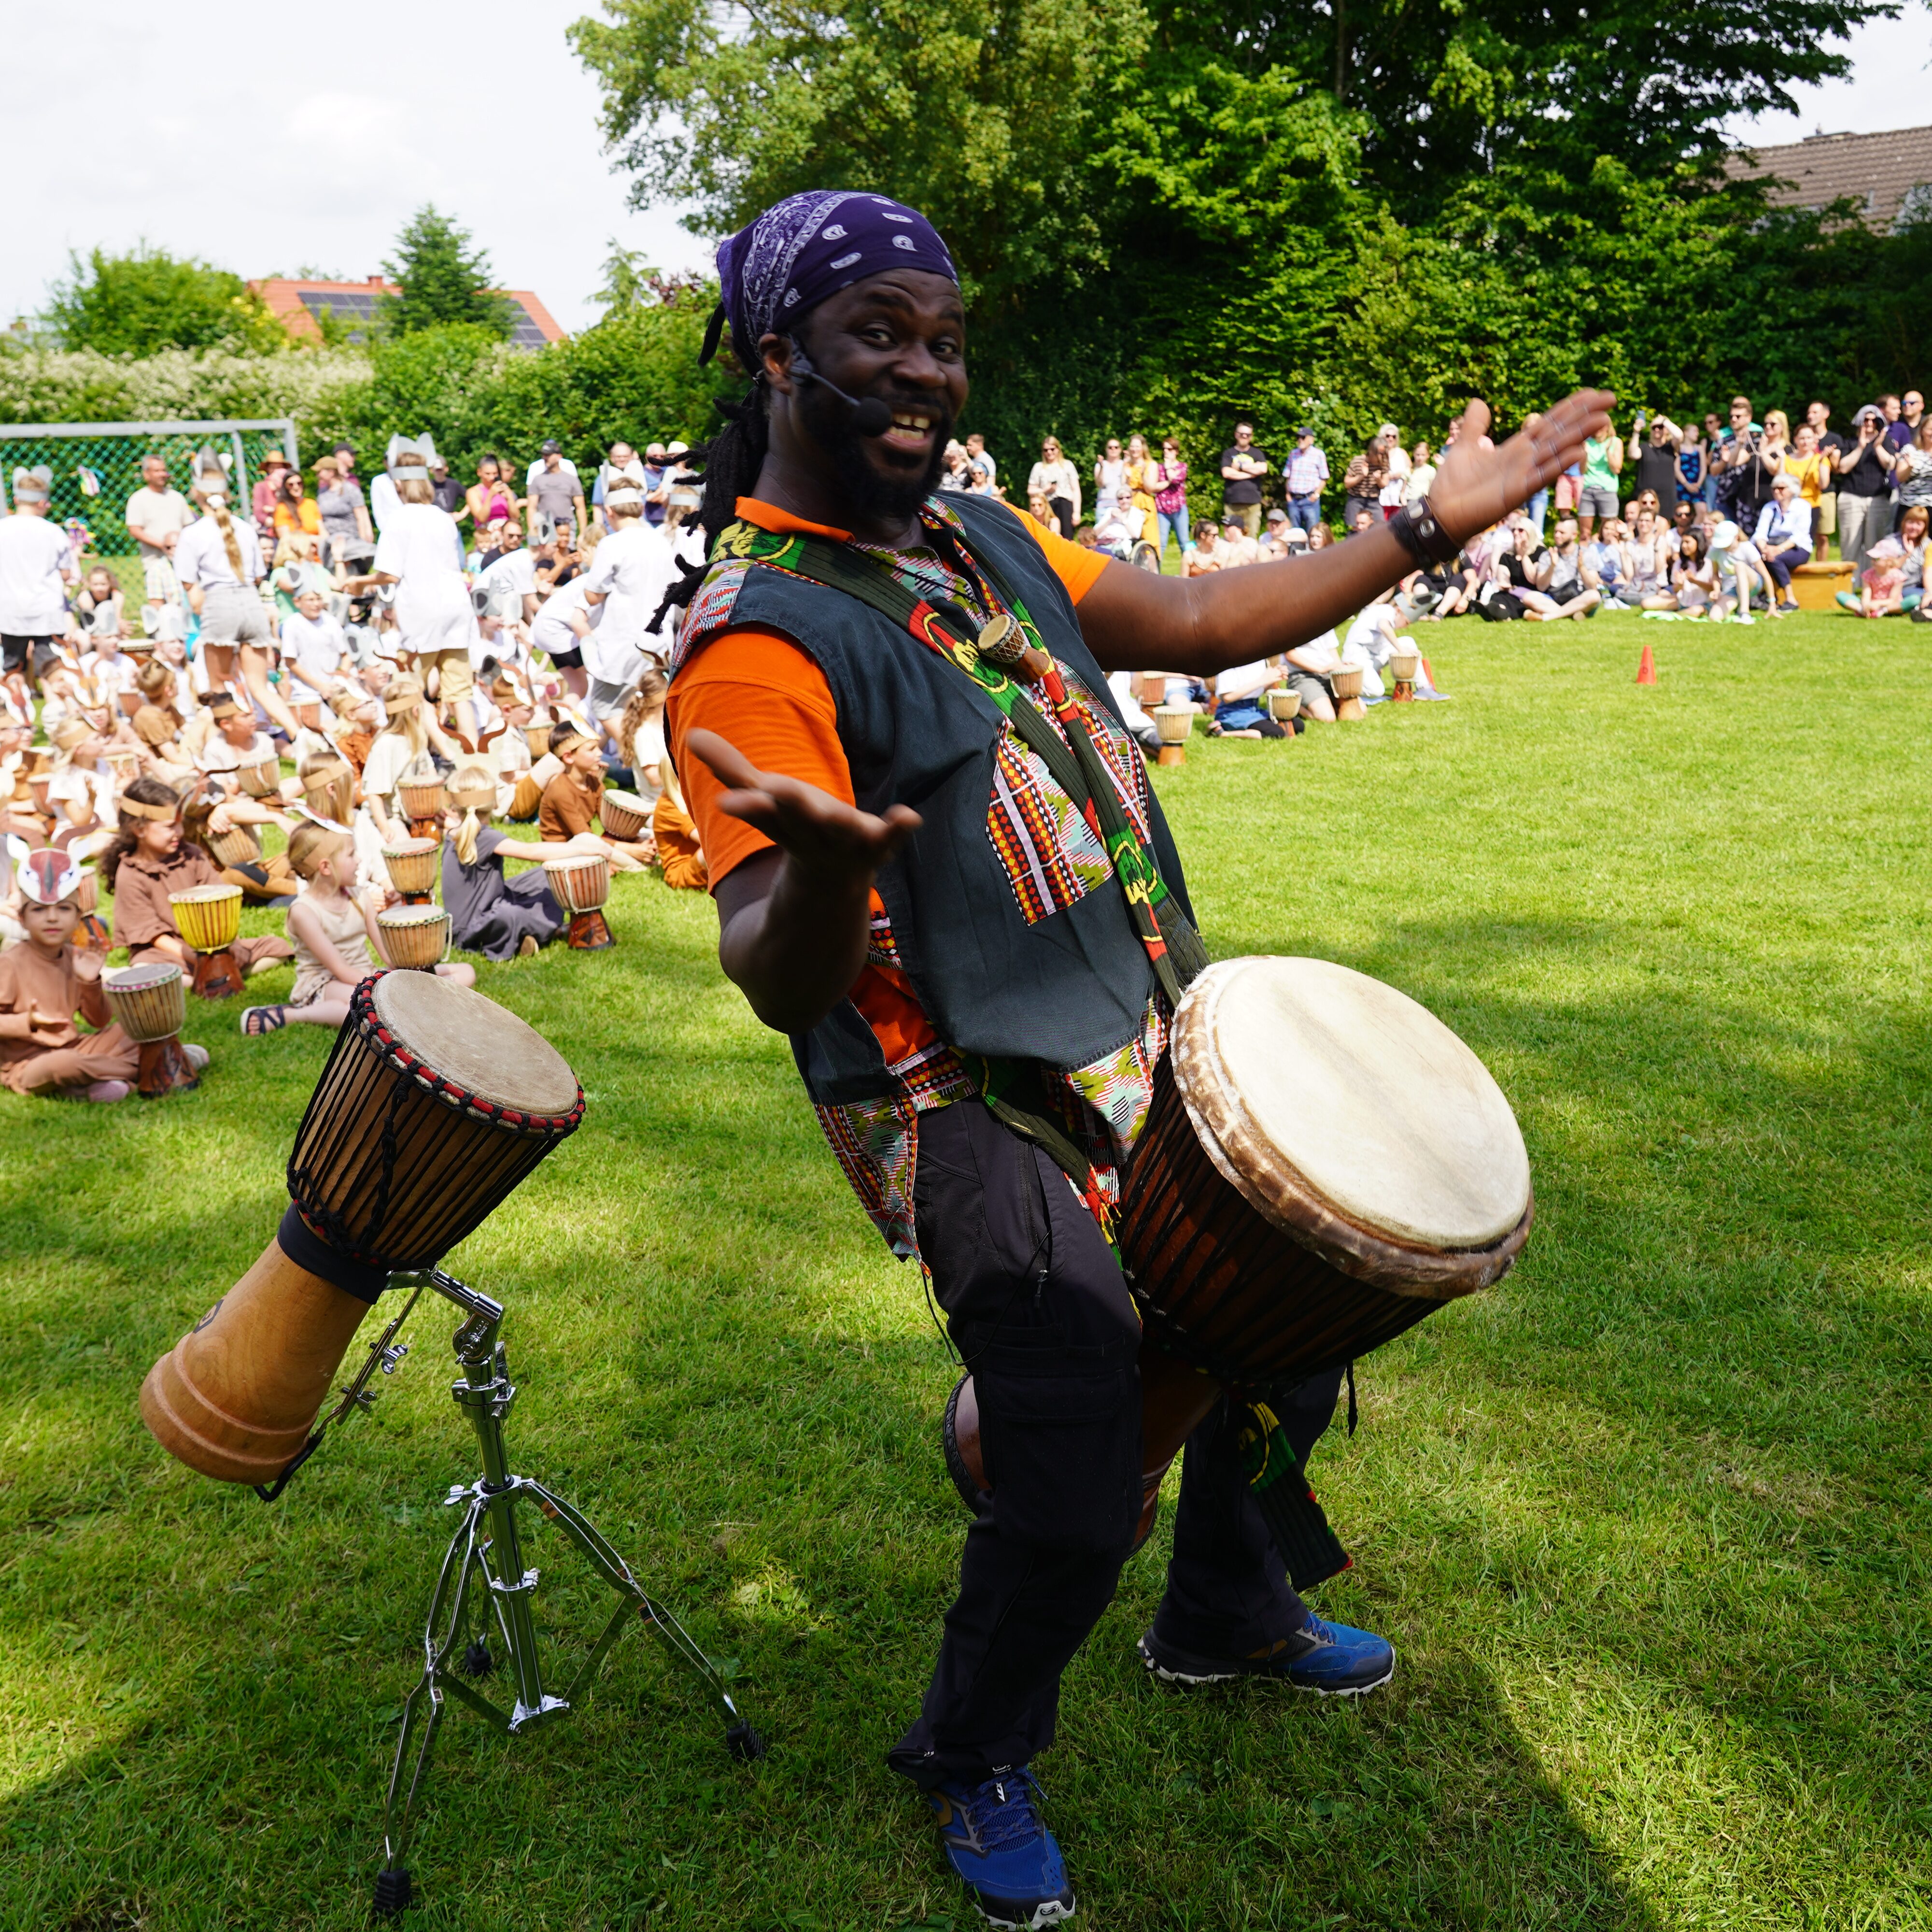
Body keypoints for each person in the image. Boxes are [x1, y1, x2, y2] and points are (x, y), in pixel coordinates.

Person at [656, 186, 1608, 1931]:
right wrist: (830, 871)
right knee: (1077, 1429)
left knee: (1288, 1299)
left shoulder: (985, 536)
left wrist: (1418, 522)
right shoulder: (755, 640)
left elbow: (1195, 616)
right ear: (781, 354)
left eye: (941, 336)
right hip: (949, 1083)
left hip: (1134, 1017)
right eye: (879, 334)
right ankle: (972, 1746)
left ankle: (1224, 1606)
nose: (922, 370)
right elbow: (762, 965)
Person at [240, 824, 474, 1034]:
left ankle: (420, 1002)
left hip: (368, 976)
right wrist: (386, 985)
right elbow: (340, 970)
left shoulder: (360, 896)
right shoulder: (304, 911)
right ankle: (293, 1014)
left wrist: (414, 973)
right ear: (326, 867)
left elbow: (388, 955)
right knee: (360, 1011)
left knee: (465, 972)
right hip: (325, 984)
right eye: (351, 854)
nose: (359, 860)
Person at [0, 846, 162, 1102]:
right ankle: (156, 1066)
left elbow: (99, 1021)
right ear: (22, 919)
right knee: (64, 1066)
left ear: (78, 918)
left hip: (76, 1047)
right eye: (40, 910)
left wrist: (90, 981)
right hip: (27, 1065)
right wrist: (27, 1022)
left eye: (64, 909)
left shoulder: (75, 956)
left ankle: (91, 1087)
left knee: (138, 1027)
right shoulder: (8, 963)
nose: (52, 918)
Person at [101, 776, 295, 977]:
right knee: (153, 970)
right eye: (170, 827)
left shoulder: (191, 854)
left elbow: (221, 901)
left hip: (211, 944)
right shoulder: (131, 873)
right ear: (139, 830)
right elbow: (153, 935)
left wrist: (232, 944)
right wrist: (198, 959)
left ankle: (219, 972)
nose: (179, 832)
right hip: (167, 951)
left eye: (180, 824)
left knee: (277, 947)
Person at [348, 443, 479, 729]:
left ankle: (427, 758)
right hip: (456, 607)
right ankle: (474, 760)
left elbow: (389, 575)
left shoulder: (398, 520)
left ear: (398, 484)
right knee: (460, 694)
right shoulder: (444, 518)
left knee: (410, 692)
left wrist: (358, 581)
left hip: (423, 612)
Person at [173, 463, 302, 739]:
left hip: (219, 604)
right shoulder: (244, 528)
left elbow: (189, 584)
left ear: (196, 492)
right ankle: (300, 736)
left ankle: (231, 745)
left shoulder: (192, 533)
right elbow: (257, 575)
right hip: (251, 602)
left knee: (218, 686)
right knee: (260, 686)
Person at [580, 484, 677, 736]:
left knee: (604, 705)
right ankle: (655, 765)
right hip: (659, 638)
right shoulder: (662, 541)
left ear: (609, 511)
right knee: (651, 706)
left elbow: (592, 596)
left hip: (624, 639)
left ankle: (638, 756)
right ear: (641, 509)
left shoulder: (612, 543)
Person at [1, 466, 76, 689]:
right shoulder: (54, 532)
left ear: (16, 499)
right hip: (47, 611)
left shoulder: (2, 529)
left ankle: (18, 720)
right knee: (52, 669)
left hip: (11, 610)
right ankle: (61, 719)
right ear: (43, 502)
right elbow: (66, 574)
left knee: (13, 668)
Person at [124, 453, 193, 606]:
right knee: (160, 604)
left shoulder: (177, 497)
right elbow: (135, 529)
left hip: (181, 559)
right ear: (146, 474)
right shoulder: (139, 499)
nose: (162, 474)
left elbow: (188, 526)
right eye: (157, 471)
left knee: (185, 600)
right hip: (154, 561)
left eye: (164, 470)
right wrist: (163, 545)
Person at [1835, 405, 1896, 574]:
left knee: (1875, 545)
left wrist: (1877, 447)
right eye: (1866, 420)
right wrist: (1861, 447)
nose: (1869, 423)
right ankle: (1849, 584)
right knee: (1850, 545)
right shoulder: (1851, 442)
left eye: (1873, 420)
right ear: (1860, 422)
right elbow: (1843, 467)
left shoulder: (1886, 442)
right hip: (1851, 497)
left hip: (1878, 499)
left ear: (1879, 423)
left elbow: (1890, 464)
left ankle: (1874, 584)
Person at [1752, 475, 1813, 612]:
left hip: (1798, 548)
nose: (1776, 492)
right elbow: (1760, 533)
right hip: (1770, 546)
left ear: (1792, 490)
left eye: (1781, 488)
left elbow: (1800, 536)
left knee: (1775, 560)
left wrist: (1777, 550)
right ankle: (1760, 595)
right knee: (1753, 556)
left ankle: (1791, 598)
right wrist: (1764, 549)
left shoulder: (1803, 507)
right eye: (1774, 488)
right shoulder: (1769, 507)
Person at [651, 756, 709, 889]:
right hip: (682, 873)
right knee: (713, 847)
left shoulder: (687, 798)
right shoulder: (669, 806)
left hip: (699, 864)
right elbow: (705, 840)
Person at [315, 455, 374, 572]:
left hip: (350, 538)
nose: (317, 475)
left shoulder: (350, 490)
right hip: (329, 540)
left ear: (331, 472)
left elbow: (361, 516)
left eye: (320, 472)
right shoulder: (322, 492)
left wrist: (364, 538)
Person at [526, 440, 587, 543]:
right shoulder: (537, 480)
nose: (545, 458)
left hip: (567, 527)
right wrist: (532, 529)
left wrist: (583, 533)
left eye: (548, 455)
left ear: (559, 456)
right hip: (545, 527)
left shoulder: (571, 479)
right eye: (544, 455)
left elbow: (580, 507)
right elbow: (531, 507)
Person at [1219, 422, 1269, 538]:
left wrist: (1240, 468)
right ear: (1236, 435)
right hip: (1232, 503)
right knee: (1232, 537)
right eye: (1242, 434)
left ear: (1251, 436)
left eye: (1248, 435)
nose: (1245, 437)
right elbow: (1227, 473)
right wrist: (1251, 474)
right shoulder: (1228, 453)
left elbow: (1263, 469)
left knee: (1251, 537)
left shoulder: (1257, 453)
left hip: (1253, 503)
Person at [1026, 438, 1081, 541]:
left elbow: (1076, 490)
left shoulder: (1067, 465)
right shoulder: (1039, 467)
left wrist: (1077, 512)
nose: (1049, 452)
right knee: (1048, 537)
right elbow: (1030, 490)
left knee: (1067, 538)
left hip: (1066, 504)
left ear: (1058, 449)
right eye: (1046, 450)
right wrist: (1044, 490)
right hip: (1047, 505)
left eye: (1052, 449)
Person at [1576, 422, 1622, 537]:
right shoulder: (1587, 444)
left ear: (1607, 426)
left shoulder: (1616, 442)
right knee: (1585, 534)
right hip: (1588, 490)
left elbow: (1617, 469)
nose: (1598, 429)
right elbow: (1582, 470)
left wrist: (1608, 452)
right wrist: (1584, 454)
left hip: (1607, 490)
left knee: (1609, 533)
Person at [1628, 412, 1682, 508]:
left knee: (1665, 523)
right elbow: (1633, 454)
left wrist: (1664, 421)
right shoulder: (1644, 447)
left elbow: (1679, 436)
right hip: (1645, 497)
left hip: (1666, 496)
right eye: (1654, 427)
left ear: (1666, 429)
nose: (1657, 429)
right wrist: (1636, 432)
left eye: (1660, 427)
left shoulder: (1671, 447)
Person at [1282, 426, 1327, 535]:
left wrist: (1316, 495)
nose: (1300, 440)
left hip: (1309, 500)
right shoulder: (1293, 454)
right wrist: (1288, 495)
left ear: (1311, 440)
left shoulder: (1319, 455)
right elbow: (1288, 476)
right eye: (1298, 437)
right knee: (1294, 534)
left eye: (1303, 437)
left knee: (1313, 533)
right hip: (1294, 500)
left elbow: (1324, 478)